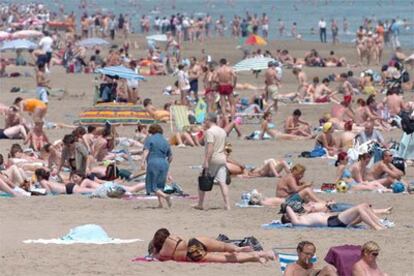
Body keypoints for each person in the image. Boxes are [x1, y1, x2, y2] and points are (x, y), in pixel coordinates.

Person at [149, 228, 274, 263]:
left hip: (191, 254)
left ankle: (256, 256)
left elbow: (153, 256)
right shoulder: (172, 237)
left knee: (225, 258)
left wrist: (154, 250)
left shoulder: (162, 254)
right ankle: (238, 248)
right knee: (223, 246)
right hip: (193, 241)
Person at [195, 112, 230, 210]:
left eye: (205, 120)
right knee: (223, 183)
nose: (204, 122)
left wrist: (206, 161)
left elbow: (210, 148)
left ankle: (200, 204)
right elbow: (225, 146)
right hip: (222, 158)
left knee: (202, 178)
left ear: (209, 120)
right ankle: (227, 204)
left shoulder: (210, 132)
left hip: (213, 158)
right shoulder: (222, 131)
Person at [282, 203, 387, 230]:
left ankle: (380, 224)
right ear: (288, 218)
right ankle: (376, 227)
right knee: (360, 208)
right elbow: (286, 206)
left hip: (334, 219)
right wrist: (286, 211)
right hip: (332, 222)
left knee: (364, 205)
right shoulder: (297, 222)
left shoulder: (302, 217)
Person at [141, 124, 172, 208]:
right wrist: (168, 167)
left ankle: (165, 196)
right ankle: (160, 203)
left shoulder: (150, 139)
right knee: (160, 185)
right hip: (164, 163)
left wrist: (142, 162)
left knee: (152, 185)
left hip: (153, 162)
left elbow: (146, 151)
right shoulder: (165, 141)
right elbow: (170, 156)